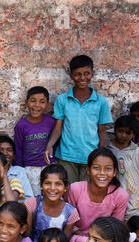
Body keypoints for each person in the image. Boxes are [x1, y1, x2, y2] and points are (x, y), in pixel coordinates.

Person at [44, 55, 113, 183]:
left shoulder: (101, 101)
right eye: (77, 74)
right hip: (67, 157)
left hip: (91, 157)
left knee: (86, 195)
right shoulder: (62, 100)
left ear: (92, 74)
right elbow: (58, 128)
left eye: (86, 73)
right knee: (69, 194)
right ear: (71, 76)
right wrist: (49, 145)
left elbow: (102, 131)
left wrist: (102, 154)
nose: (82, 78)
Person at [66, 147, 129, 242]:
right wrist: (87, 237)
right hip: (80, 238)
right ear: (88, 170)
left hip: (105, 241)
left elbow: (115, 228)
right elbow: (68, 221)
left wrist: (100, 241)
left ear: (115, 172)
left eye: (108, 169)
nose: (102, 173)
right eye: (96, 168)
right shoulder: (75, 189)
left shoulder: (120, 195)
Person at [14, 86, 56, 196]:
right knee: (35, 199)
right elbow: (18, 149)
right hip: (30, 169)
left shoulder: (51, 122)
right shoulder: (21, 125)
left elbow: (55, 143)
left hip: (48, 167)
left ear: (47, 105)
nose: (37, 105)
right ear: (26, 102)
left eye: (42, 102)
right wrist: (19, 170)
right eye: (33, 101)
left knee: (50, 195)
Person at [25, 164, 80, 242]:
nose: (53, 188)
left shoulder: (71, 212)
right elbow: (26, 237)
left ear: (66, 186)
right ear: (41, 185)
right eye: (48, 183)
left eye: (58, 184)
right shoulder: (33, 203)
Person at [107, 115, 139, 220]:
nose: (123, 135)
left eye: (128, 133)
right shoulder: (107, 148)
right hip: (111, 190)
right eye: (120, 131)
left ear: (133, 134)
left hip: (131, 192)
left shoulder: (135, 151)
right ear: (115, 130)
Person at [0, 135, 34, 200]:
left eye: (9, 150)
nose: (5, 153)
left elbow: (29, 197)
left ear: (14, 155)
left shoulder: (19, 171)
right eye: (0, 150)